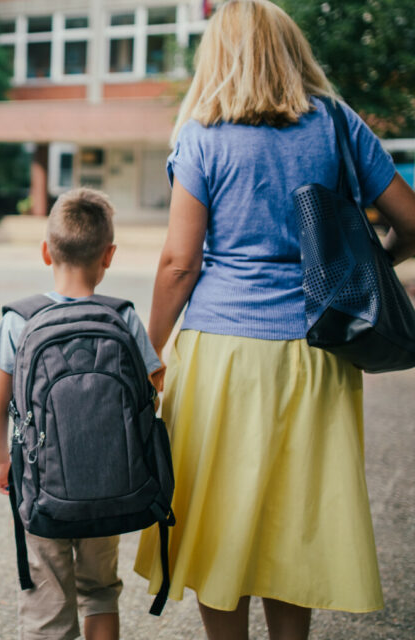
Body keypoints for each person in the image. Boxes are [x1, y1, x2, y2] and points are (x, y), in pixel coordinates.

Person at [133, 1, 415, 639]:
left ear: (219, 56)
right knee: (297, 520)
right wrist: (372, 265)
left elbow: (180, 263)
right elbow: (411, 220)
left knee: (220, 520)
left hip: (223, 356)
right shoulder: (338, 125)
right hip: (317, 349)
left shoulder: (202, 135)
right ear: (292, 50)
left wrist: (147, 350)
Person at [0, 188, 165, 640]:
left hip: (42, 488)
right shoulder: (123, 317)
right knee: (100, 590)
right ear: (109, 256)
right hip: (111, 484)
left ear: (46, 251)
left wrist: (1, 460)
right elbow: (152, 389)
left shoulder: (18, 320)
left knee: (47, 599)